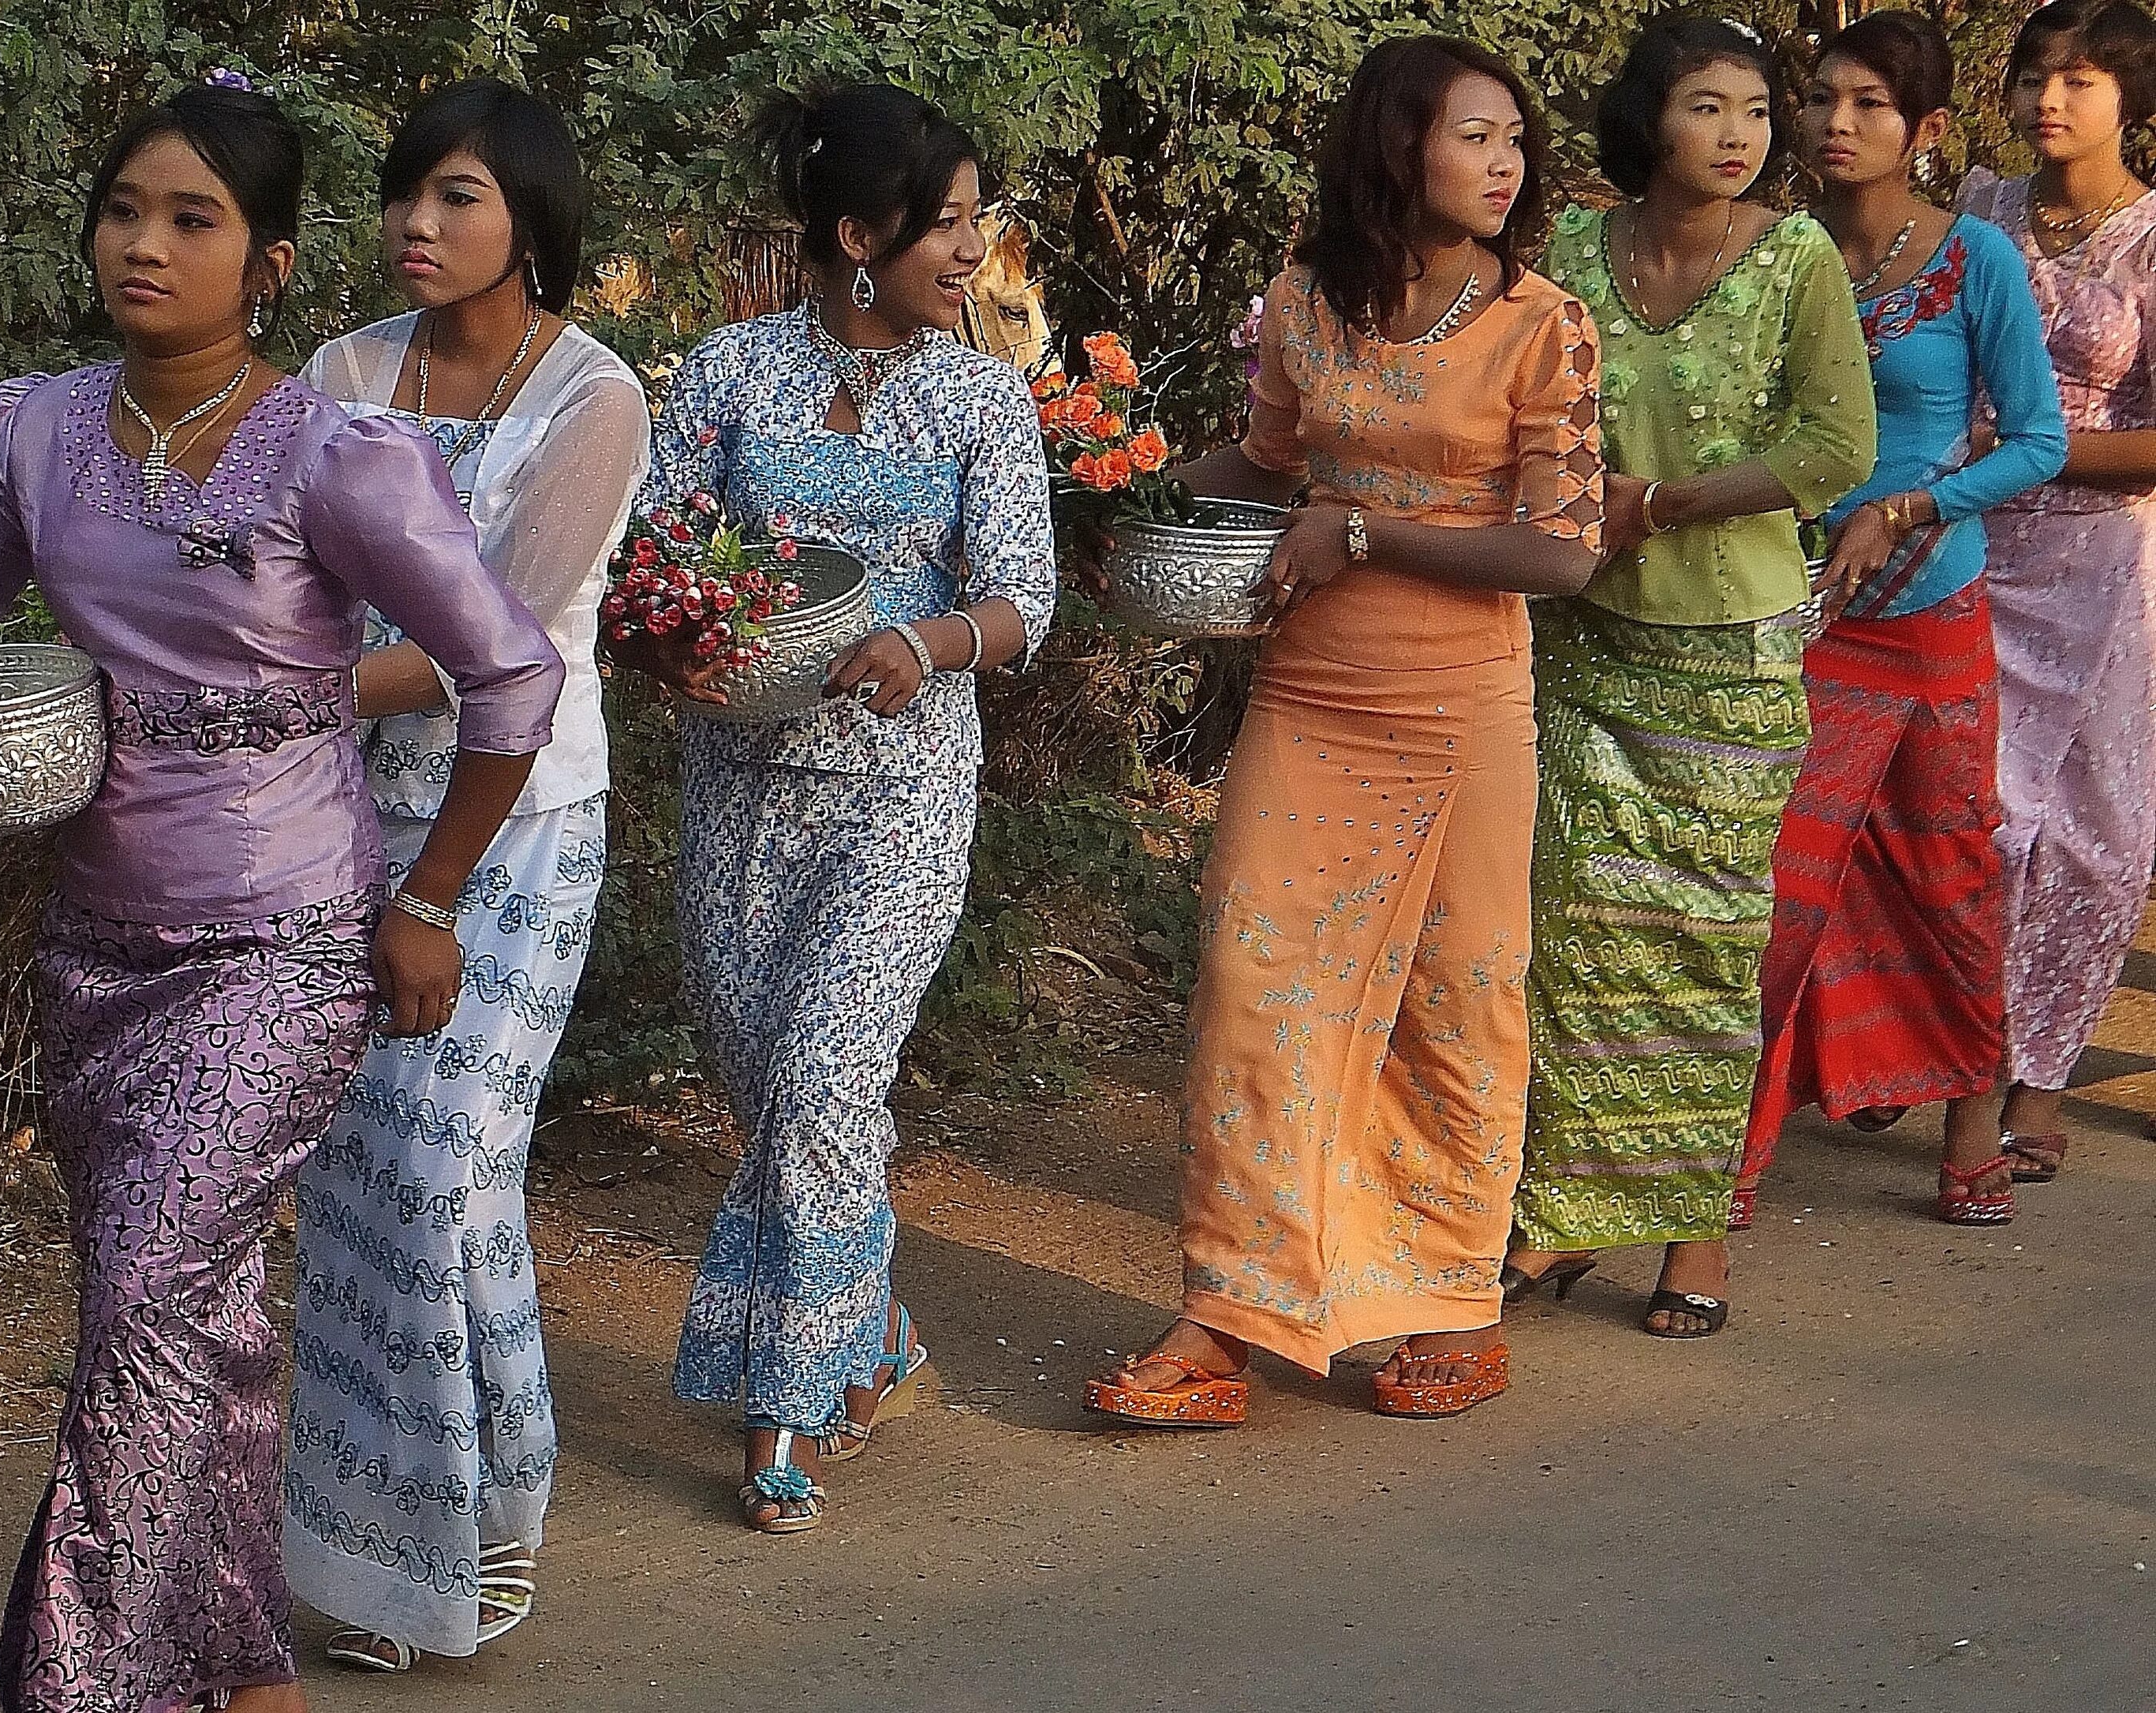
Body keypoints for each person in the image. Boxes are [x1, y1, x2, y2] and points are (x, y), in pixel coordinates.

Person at [0, 80, 562, 1713]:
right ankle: (241, 1663)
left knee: (144, 1306)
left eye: (191, 219)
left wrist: (429, 900)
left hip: (280, 942)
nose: (144, 244)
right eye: (124, 210)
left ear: (268, 262)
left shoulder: (340, 454)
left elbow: (509, 674)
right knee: (181, 1316)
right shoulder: (24, 428)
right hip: (91, 943)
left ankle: (89, 1687)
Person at [1082, 35, 1602, 1428]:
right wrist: (1108, 491)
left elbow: (1562, 554)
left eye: (1514, 141)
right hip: (1312, 694)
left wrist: (1365, 527)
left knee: (1456, 1001)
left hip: (1462, 707)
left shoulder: (1541, 324)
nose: (1505, 164)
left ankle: (1446, 1300)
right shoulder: (1307, 301)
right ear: (1396, 148)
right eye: (1474, 137)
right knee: (1255, 985)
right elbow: (1262, 462)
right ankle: (1228, 1317)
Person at [623, 82, 1055, 1532]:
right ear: (860, 236)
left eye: (976, 222)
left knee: (822, 1086)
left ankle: (779, 1416)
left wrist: (923, 645)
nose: (973, 251)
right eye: (948, 225)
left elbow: (1023, 601)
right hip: (744, 791)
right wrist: (673, 644)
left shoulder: (985, 396)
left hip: (907, 790)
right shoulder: (725, 376)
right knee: (777, 1103)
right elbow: (652, 569)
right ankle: (875, 1332)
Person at [282, 81, 650, 1673]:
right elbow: (283, 588)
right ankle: (413, 1538)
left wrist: (258, 686)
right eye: (403, 198)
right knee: (379, 1173)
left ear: (532, 221)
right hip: (338, 821)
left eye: (455, 199)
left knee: (438, 1162)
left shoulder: (596, 397)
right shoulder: (342, 371)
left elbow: (485, 646)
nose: (415, 229)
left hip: (523, 824)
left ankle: (475, 1517)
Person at [1507, 17, 1877, 1336]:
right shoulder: (1561, 255)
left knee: (1704, 947)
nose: (1740, 138)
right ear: (1649, 119)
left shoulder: (1796, 259)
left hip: (1733, 653)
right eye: (1709, 108)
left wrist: (1657, 502)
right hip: (1580, 641)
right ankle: (1558, 1227)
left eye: (1758, 113)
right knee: (1574, 941)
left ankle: (1694, 1240)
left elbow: (1836, 444)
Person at [1735, 11, 2068, 1229]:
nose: (1834, 123)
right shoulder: (1773, 254)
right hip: (1799, 617)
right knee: (1780, 893)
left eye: (1870, 104)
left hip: (1932, 622)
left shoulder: (1976, 258)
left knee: (1950, 879)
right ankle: (1738, 1154)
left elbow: (2040, 441)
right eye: (1821, 98)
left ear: (1927, 131)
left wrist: (1914, 505)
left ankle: (1972, 1116)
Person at [1958, 0, 2156, 1182]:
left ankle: (2038, 1071)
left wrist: (2026, 449)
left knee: (2095, 838)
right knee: (1971, 813)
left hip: (2101, 562)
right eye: (2038, 73)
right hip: (1961, 541)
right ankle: (1947, 1059)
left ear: (2131, 98)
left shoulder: (2152, 237)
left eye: (2080, 80)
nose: (2050, 98)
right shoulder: (1977, 210)